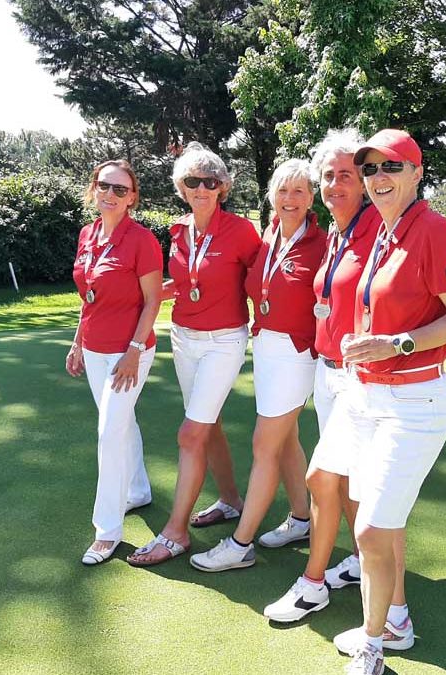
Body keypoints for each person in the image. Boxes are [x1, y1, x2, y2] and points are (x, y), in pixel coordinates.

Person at [333, 129, 446, 674]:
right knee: (382, 522)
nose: (379, 178)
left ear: (417, 173)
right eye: (370, 169)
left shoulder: (435, 231)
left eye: (391, 167)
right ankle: (395, 617)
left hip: (415, 403)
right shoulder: (382, 230)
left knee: (370, 528)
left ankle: (373, 645)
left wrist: (395, 343)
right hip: (367, 396)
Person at [264, 129, 393, 622]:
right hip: (328, 370)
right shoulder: (338, 232)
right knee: (340, 481)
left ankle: (312, 583)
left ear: (363, 182)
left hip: (360, 378)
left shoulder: (379, 229)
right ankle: (360, 561)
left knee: (324, 478)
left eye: (347, 174)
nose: (337, 184)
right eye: (329, 176)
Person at [189, 158, 327, 572]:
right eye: (283, 190)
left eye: (299, 191)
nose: (290, 198)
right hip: (266, 349)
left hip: (297, 354)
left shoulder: (323, 242)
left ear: (310, 198)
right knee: (285, 441)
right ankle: (302, 519)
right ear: (271, 195)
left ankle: (240, 543)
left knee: (263, 444)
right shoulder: (266, 237)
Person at [127, 143, 261, 566]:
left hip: (224, 339)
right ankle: (230, 499)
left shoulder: (242, 231)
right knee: (210, 425)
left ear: (223, 187)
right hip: (184, 336)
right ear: (180, 188)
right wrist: (160, 292)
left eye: (210, 181)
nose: (201, 188)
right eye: (192, 181)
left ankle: (176, 532)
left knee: (190, 433)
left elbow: (262, 282)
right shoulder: (176, 229)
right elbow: (185, 280)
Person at [67, 159, 163, 565]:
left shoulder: (142, 241)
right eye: (104, 186)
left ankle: (106, 532)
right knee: (122, 424)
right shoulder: (87, 234)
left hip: (131, 352)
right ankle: (138, 490)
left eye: (120, 190)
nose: (110, 194)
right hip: (95, 348)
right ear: (94, 189)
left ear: (132, 199)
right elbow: (87, 298)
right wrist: (77, 343)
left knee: (109, 432)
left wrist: (134, 351)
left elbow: (153, 300)